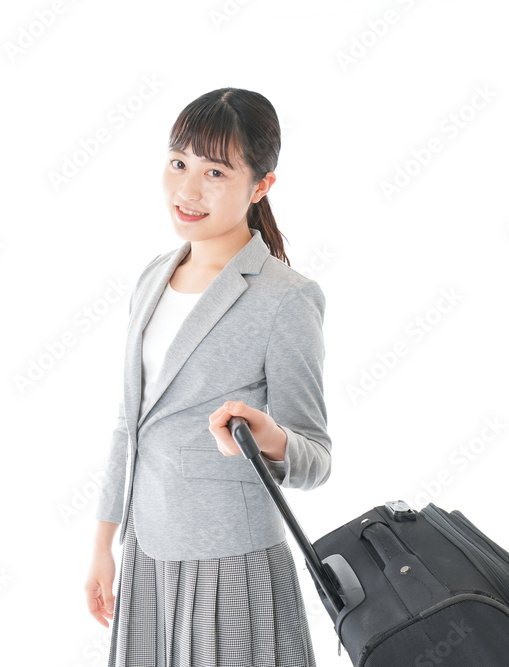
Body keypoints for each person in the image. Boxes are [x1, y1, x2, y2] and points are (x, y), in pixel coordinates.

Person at [84, 87, 332, 666]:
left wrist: (268, 436)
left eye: (215, 172)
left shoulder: (286, 298)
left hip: (232, 563)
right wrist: (103, 543)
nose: (188, 190)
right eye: (179, 163)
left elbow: (317, 458)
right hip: (147, 555)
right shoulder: (154, 277)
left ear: (261, 186)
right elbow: (130, 423)